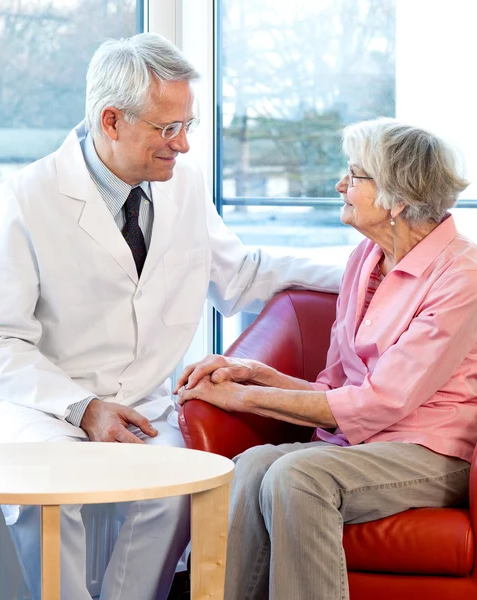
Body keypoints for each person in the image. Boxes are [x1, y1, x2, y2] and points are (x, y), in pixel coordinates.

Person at [0, 33, 342, 600]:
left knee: (176, 490)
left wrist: (370, 263)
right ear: (112, 121)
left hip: (147, 405)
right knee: (57, 501)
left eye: (187, 126)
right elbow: (5, 338)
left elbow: (242, 274)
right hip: (50, 406)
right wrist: (83, 409)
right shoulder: (27, 196)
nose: (182, 146)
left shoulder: (182, 186)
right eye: (167, 129)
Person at [177, 118, 477, 600]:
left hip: (435, 451)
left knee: (299, 476)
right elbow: (339, 389)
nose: (340, 185)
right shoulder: (366, 259)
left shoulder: (461, 276)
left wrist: (248, 399)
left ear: (396, 198)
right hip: (363, 446)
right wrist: (256, 375)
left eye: (355, 175)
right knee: (252, 466)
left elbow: (382, 402)